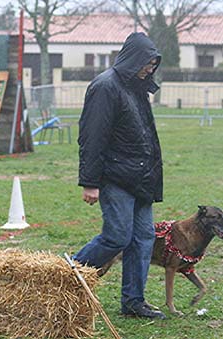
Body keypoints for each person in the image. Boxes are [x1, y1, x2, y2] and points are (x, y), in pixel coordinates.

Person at [73, 32, 165, 319]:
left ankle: (133, 302)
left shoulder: (136, 87)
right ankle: (66, 275)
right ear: (134, 58)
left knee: (143, 239)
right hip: (115, 178)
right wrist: (90, 182)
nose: (150, 69)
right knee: (117, 237)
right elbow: (92, 136)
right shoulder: (105, 87)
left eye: (153, 64)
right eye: (147, 63)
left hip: (140, 179)